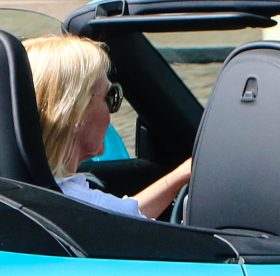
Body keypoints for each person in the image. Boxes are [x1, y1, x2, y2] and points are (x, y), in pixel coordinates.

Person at [24, 33, 191, 219]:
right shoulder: (78, 205)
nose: (112, 111)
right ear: (76, 112)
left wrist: (182, 175)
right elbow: (127, 219)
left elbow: (128, 212)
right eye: (110, 97)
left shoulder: (12, 186)